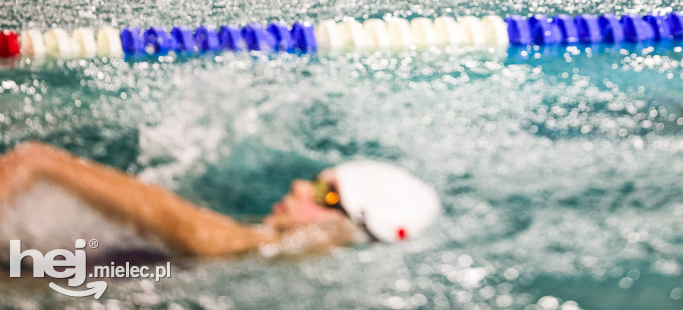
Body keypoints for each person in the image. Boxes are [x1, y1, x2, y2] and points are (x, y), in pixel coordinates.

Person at [0, 141, 441, 259]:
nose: (298, 188)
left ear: (350, 225)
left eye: (326, 194)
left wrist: (44, 163)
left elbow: (199, 235)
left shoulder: (247, 247)